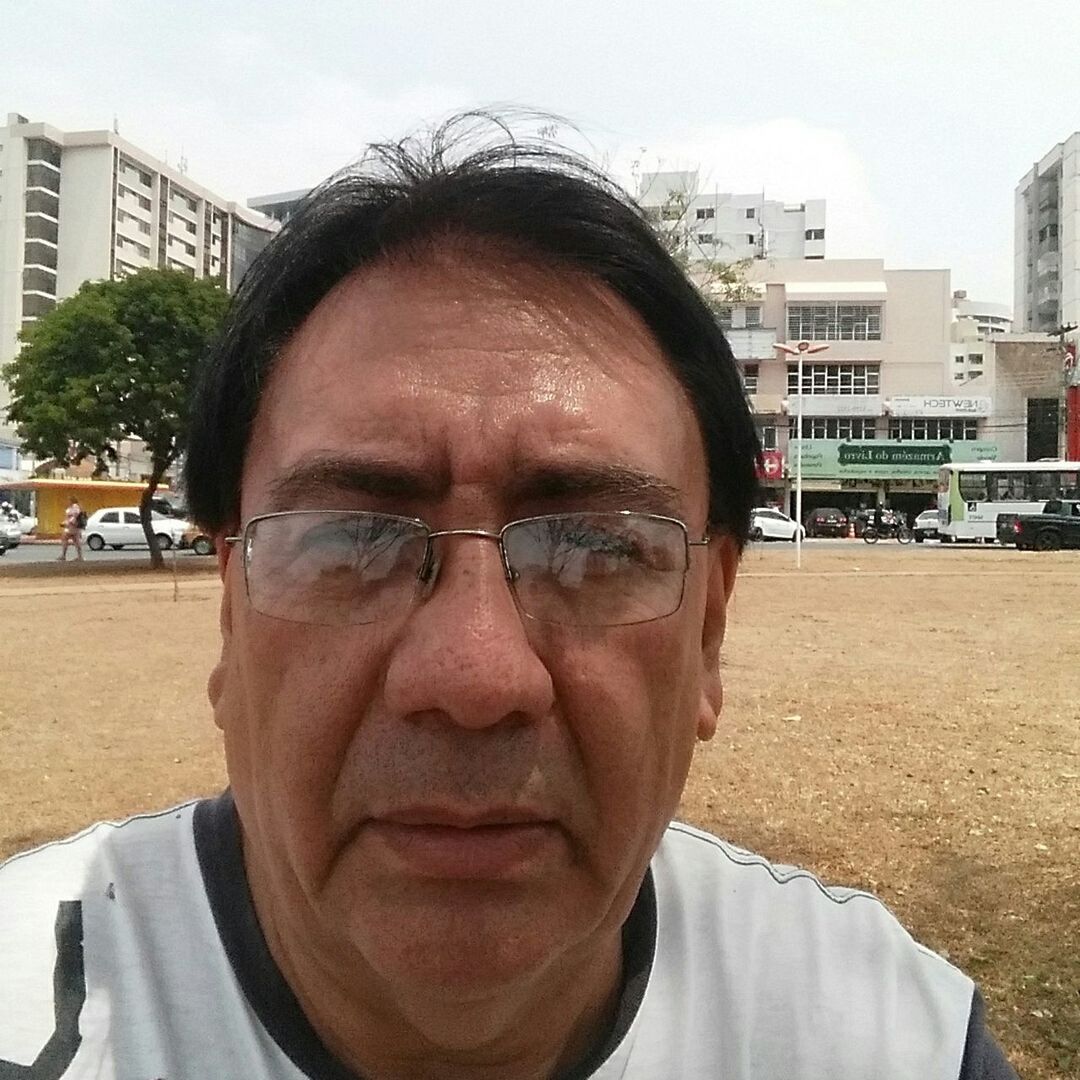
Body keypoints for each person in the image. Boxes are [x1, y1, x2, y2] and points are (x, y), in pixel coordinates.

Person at [0, 118, 1018, 1079]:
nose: (475, 675)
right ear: (230, 612)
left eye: (588, 546)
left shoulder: (886, 1040)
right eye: (352, 539)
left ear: (708, 630)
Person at [57, 496, 83, 561]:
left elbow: (75, 515)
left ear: (72, 501)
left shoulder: (75, 506)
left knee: (65, 539)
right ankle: (79, 556)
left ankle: (63, 555)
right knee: (76, 541)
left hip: (72, 526)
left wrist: (69, 522)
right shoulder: (72, 507)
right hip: (73, 527)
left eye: (69, 500)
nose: (68, 501)